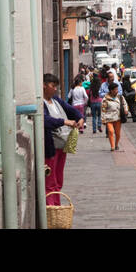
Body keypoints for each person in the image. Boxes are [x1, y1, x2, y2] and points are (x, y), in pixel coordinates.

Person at [42, 73, 84, 205]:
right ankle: (52, 209)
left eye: (56, 86)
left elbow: (71, 110)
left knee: (59, 179)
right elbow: (46, 121)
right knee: (50, 181)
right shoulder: (40, 103)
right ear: (44, 86)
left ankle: (57, 207)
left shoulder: (56, 100)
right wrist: (65, 122)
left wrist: (80, 118)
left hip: (62, 145)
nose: (55, 89)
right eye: (52, 86)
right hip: (50, 147)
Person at [101, 81, 128, 151]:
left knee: (118, 134)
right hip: (109, 118)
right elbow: (103, 110)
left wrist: (126, 109)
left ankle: (116, 144)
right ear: (111, 90)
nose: (117, 91)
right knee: (110, 131)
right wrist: (103, 119)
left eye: (117, 89)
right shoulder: (105, 99)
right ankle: (112, 146)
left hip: (118, 118)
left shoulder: (120, 97)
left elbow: (125, 104)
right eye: (115, 89)